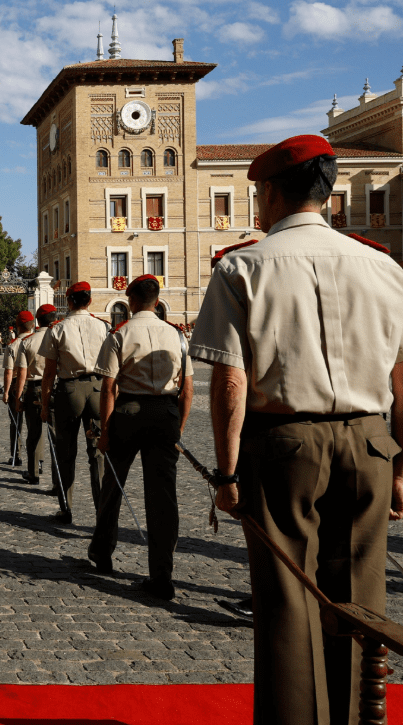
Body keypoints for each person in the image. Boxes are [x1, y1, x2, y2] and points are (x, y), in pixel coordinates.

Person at [191, 135, 403, 724]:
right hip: (369, 439)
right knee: (362, 595)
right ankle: (360, 716)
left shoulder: (243, 266)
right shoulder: (384, 266)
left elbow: (231, 381)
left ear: (272, 192)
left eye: (258, 191)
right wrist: (402, 468)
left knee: (288, 603)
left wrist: (227, 473)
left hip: (284, 444)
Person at [87, 275, 194, 600]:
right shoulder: (177, 336)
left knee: (113, 485)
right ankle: (162, 574)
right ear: (157, 301)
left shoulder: (121, 333)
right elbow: (186, 389)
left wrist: (105, 432)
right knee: (163, 497)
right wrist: (178, 428)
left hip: (129, 411)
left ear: (131, 301)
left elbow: (108, 386)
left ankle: (102, 553)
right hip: (165, 412)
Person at [39, 282, 109, 524]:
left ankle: (66, 507)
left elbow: (48, 373)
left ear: (69, 301)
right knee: (98, 452)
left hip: (69, 390)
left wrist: (45, 404)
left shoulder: (57, 329)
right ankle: (101, 509)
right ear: (89, 301)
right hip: (98, 388)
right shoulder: (103, 327)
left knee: (66, 452)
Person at [12, 304, 57, 487]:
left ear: (37, 321)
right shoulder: (59, 337)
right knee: (55, 437)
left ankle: (33, 472)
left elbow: (21, 373)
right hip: (54, 388)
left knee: (33, 433)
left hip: (33, 388)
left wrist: (19, 397)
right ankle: (57, 480)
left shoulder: (27, 342)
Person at [1, 312, 36, 467]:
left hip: (17, 384)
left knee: (16, 422)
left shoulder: (13, 345)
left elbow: (9, 371)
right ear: (33, 325)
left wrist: (6, 391)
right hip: (36, 383)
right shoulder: (39, 341)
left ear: (18, 326)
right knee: (35, 425)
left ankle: (16, 455)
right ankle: (38, 461)